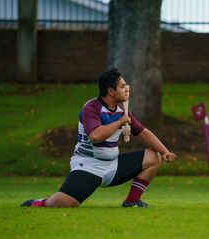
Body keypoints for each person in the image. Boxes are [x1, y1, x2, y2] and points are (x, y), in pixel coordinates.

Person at [21, 68, 177, 208]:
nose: (126, 90)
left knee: (153, 156)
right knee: (64, 204)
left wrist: (165, 152)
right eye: (122, 86)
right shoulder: (91, 108)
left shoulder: (121, 110)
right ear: (110, 91)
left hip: (112, 165)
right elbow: (95, 136)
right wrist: (119, 122)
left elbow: (143, 132)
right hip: (89, 165)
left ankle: (132, 202)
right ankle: (41, 202)